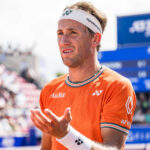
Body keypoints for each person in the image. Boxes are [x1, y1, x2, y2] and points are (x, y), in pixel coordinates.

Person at [30, 1, 136, 150]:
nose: (63, 41)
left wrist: (67, 135)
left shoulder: (117, 86)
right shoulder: (50, 89)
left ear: (95, 39)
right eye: (60, 33)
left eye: (73, 33)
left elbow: (112, 148)